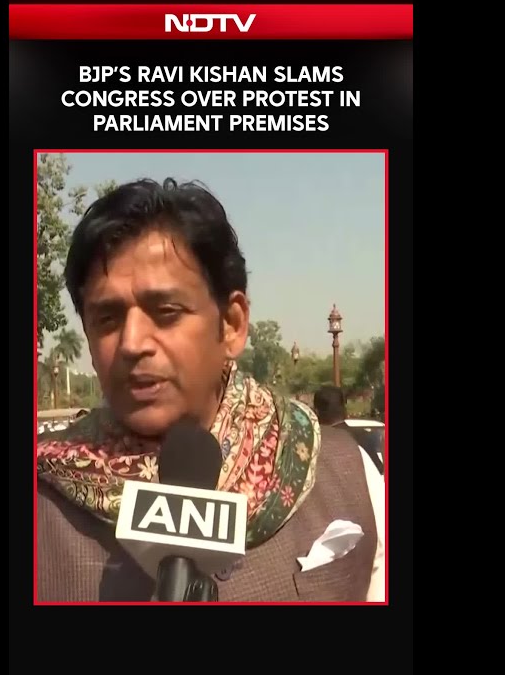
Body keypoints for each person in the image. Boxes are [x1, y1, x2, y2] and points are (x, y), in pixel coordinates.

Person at [35, 177, 385, 602]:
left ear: (232, 324)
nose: (131, 343)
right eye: (107, 319)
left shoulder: (349, 473)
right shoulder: (42, 502)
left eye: (166, 312)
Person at [313, 385, 384, 475]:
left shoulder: (316, 443)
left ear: (316, 412)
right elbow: (379, 471)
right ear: (344, 408)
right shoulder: (363, 436)